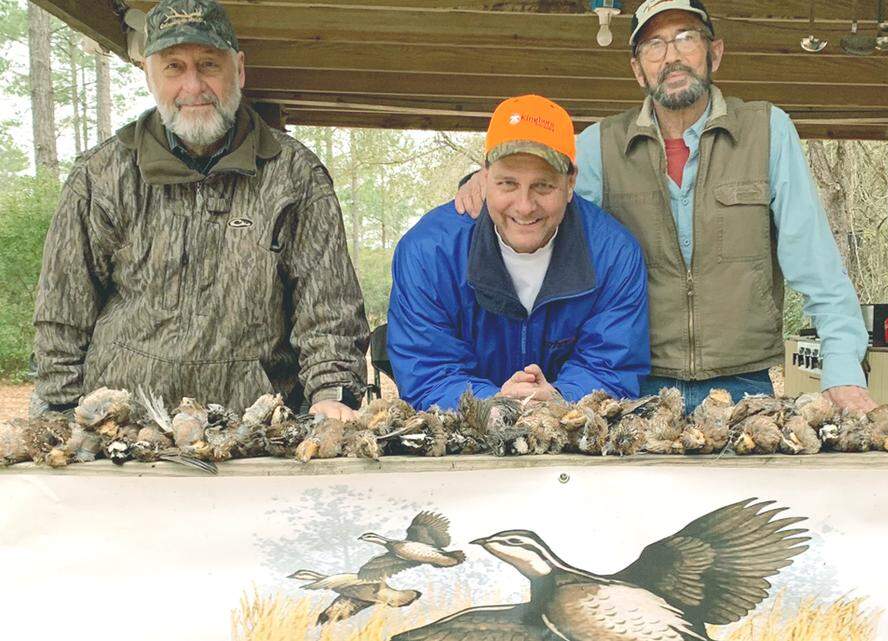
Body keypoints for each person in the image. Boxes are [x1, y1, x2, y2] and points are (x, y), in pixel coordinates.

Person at [456, 0, 875, 413]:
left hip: (744, 384)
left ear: (715, 52)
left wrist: (843, 373)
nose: (671, 56)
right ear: (638, 69)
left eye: (685, 38)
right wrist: (482, 181)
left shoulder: (767, 131)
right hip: (637, 387)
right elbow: (533, 190)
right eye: (654, 45)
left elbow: (818, 267)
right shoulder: (599, 147)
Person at [32, 0, 368, 419]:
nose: (193, 86)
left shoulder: (296, 175)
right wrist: (61, 411)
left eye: (208, 64)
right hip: (124, 427)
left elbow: (329, 309)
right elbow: (62, 311)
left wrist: (330, 396)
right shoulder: (100, 176)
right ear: (149, 75)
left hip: (260, 429)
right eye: (173, 67)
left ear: (238, 69)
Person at [387, 95, 650, 411]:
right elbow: (427, 371)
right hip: (463, 440)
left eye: (543, 187)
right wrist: (494, 404)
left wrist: (560, 397)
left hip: (575, 438)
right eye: (508, 184)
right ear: (485, 177)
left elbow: (613, 366)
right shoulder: (428, 253)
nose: (524, 207)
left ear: (570, 183)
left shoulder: (614, 254)